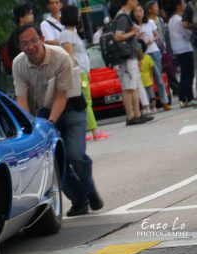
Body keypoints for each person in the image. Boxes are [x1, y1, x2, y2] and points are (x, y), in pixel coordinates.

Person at [12, 24, 103, 217]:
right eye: (24, 43)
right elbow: (21, 98)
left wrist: (49, 124)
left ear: (42, 39)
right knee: (54, 160)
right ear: (19, 46)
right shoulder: (18, 64)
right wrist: (29, 125)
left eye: (34, 41)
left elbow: (62, 96)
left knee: (74, 155)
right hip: (44, 111)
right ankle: (79, 200)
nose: (30, 46)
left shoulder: (60, 56)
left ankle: (90, 190)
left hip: (71, 108)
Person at [59, 5, 108, 141]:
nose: (79, 17)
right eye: (77, 14)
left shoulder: (72, 32)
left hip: (82, 72)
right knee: (86, 101)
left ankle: (88, 130)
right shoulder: (66, 35)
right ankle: (94, 130)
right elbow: (69, 57)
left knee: (85, 101)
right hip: (78, 73)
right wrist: (77, 76)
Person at [115, 0, 154, 124]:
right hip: (126, 57)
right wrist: (133, 32)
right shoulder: (122, 16)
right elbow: (118, 36)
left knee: (134, 86)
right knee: (128, 87)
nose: (137, 2)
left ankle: (137, 114)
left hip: (130, 56)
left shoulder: (125, 15)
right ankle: (131, 116)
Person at [135, 3, 171, 110]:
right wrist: (136, 36)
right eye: (136, 11)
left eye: (140, 11)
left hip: (153, 51)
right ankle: (147, 104)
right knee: (143, 80)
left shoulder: (150, 22)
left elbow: (156, 35)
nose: (138, 13)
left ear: (144, 12)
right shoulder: (133, 26)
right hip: (141, 55)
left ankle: (164, 101)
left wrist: (152, 40)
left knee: (158, 77)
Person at [167, 0, 197, 107]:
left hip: (178, 49)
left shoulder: (171, 19)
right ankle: (187, 97)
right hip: (185, 48)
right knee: (188, 74)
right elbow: (187, 34)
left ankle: (183, 98)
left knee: (185, 74)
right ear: (178, 6)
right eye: (183, 3)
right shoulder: (179, 20)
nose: (185, 5)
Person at [2, 4, 35, 74]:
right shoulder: (17, 35)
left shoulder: (27, 32)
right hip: (23, 71)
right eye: (29, 14)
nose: (32, 16)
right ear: (21, 18)